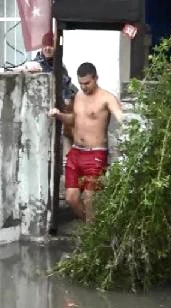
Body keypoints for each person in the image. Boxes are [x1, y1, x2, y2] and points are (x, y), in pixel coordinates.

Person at [48, 62, 123, 223]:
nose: (84, 87)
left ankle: (92, 232)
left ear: (96, 78)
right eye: (81, 83)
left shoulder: (107, 98)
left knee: (90, 199)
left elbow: (120, 116)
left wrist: (126, 123)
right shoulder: (78, 96)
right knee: (71, 198)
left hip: (95, 153)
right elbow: (74, 119)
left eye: (87, 83)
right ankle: (94, 228)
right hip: (76, 152)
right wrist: (59, 115)